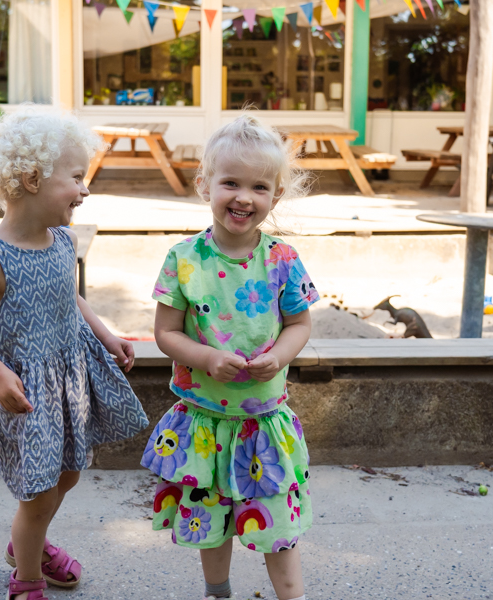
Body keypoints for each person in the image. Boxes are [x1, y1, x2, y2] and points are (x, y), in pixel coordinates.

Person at [0, 108, 149, 600]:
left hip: (69, 380)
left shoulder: (63, 241)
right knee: (38, 494)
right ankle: (27, 577)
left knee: (70, 474)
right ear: (32, 179)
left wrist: (106, 335)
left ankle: (26, 543)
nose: (85, 189)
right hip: (27, 393)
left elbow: (71, 298)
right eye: (77, 177)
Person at [141, 114, 318, 600]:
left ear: (275, 196)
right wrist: (203, 356)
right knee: (212, 522)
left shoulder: (283, 259)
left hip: (263, 421)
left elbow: (301, 325)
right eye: (231, 183)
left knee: (277, 526)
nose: (244, 197)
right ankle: (217, 591)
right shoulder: (184, 258)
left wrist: (279, 356)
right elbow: (165, 332)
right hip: (204, 419)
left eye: (259, 187)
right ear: (205, 186)